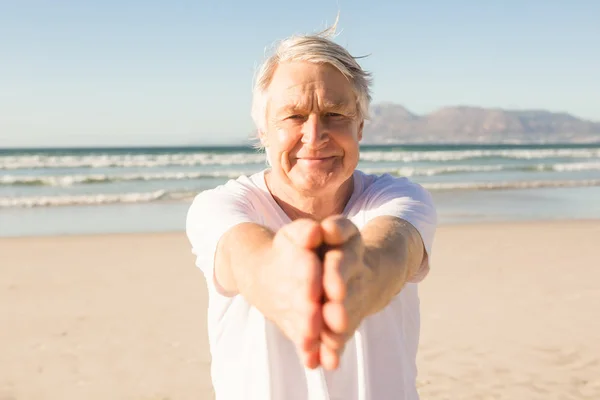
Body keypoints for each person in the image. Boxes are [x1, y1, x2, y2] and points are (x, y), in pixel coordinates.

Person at [185, 23, 437, 400]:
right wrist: (285, 281)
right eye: (293, 116)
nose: (315, 134)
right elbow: (245, 259)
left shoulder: (399, 198)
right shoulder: (221, 207)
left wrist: (358, 282)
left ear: (360, 128)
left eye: (336, 114)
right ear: (263, 131)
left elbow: (394, 253)